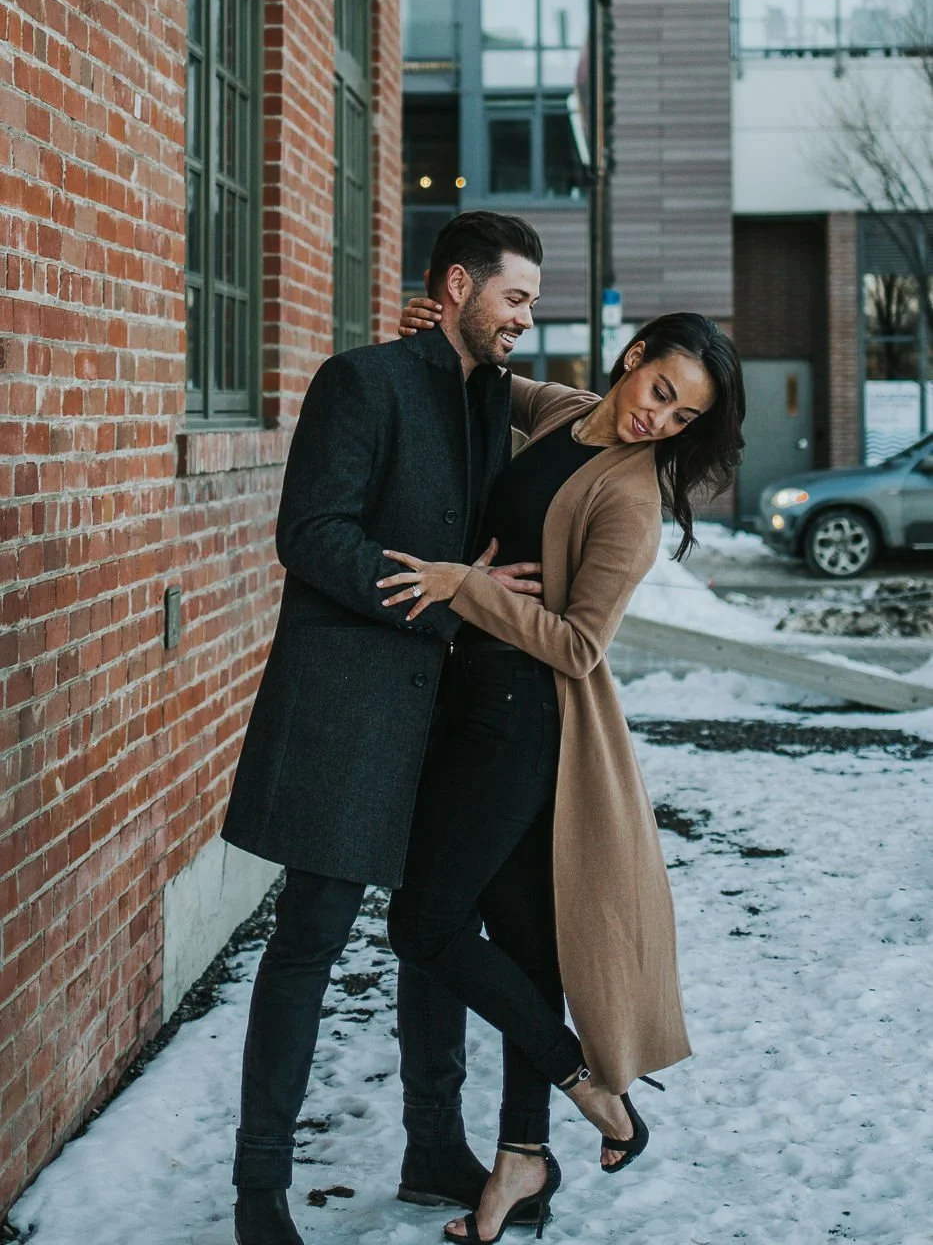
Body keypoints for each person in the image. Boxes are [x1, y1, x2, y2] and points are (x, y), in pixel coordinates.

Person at [382, 303, 746, 1241]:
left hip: (519, 725)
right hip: (473, 710)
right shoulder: (567, 413)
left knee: (422, 923)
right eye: (659, 393)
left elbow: (580, 645)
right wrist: (445, 325)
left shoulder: (630, 498)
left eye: (680, 418)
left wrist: (463, 583)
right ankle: (520, 1160)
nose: (657, 421)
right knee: (524, 949)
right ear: (632, 360)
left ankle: (589, 1087)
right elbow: (494, 383)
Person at [221, 211, 549, 1245]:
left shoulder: (491, 393)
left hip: (442, 720)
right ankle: (258, 1186)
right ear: (458, 285)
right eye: (515, 298)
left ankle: (430, 1145)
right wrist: (452, 595)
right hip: (348, 708)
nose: (526, 320)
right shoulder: (359, 380)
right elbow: (309, 533)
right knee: (310, 936)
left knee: (432, 935)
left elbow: (592, 416)